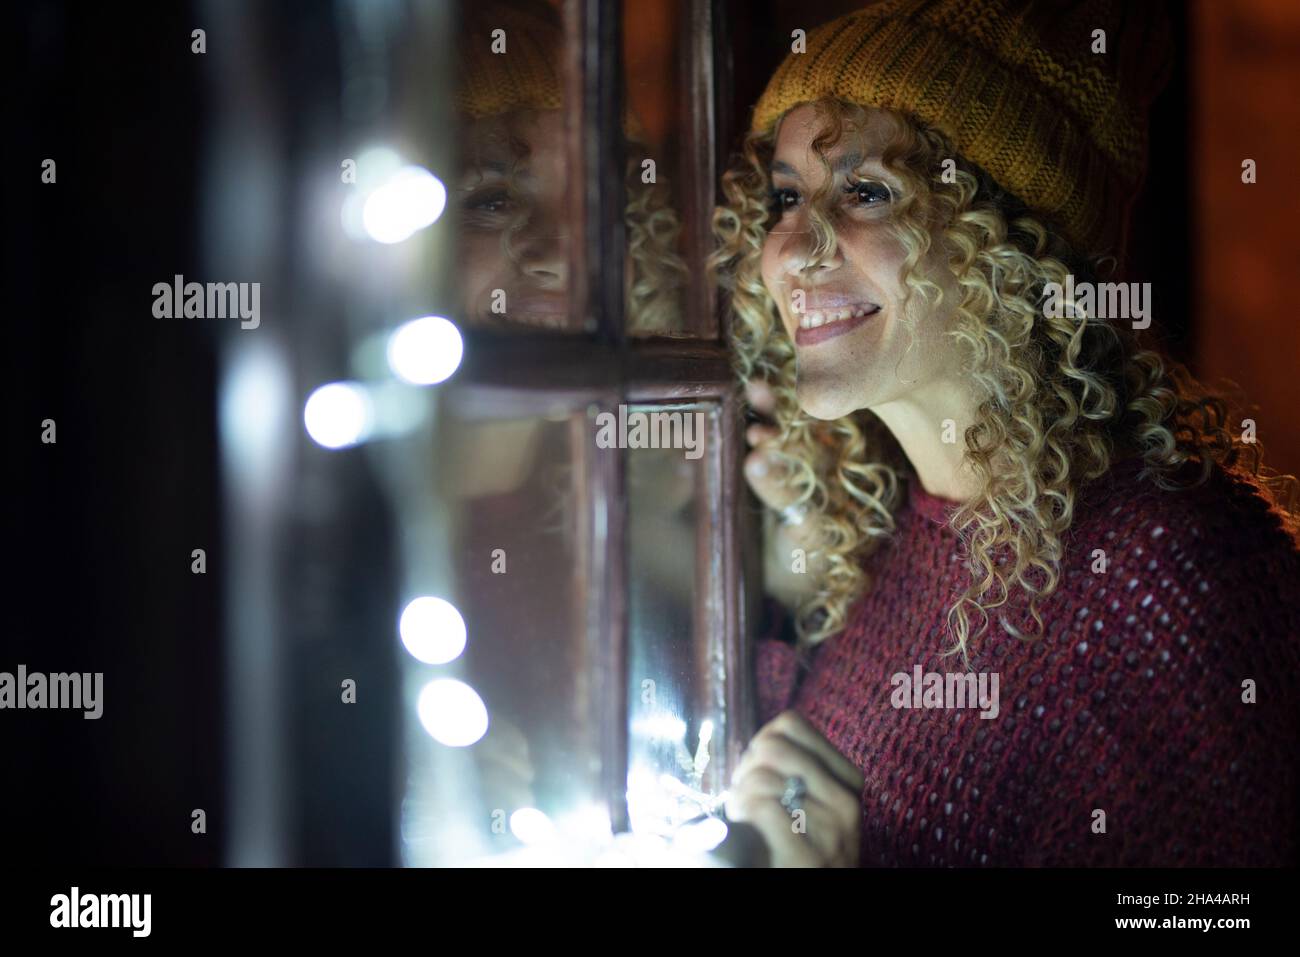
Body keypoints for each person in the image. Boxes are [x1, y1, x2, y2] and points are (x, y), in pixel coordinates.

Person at [714, 0, 1300, 867]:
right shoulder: (882, 528)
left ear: (1014, 242)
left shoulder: (1166, 574)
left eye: (866, 191)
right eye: (789, 197)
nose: (797, 247)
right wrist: (792, 579)